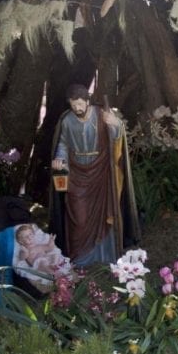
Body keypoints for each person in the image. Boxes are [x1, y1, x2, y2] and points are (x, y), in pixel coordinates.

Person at [48, 83, 140, 266]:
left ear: (88, 101)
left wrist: (115, 125)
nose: (77, 109)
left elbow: (116, 138)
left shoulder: (100, 114)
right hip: (77, 174)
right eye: (73, 105)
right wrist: (59, 158)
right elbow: (64, 144)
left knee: (106, 213)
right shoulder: (67, 120)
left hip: (101, 172)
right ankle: (79, 257)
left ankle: (105, 255)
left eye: (80, 105)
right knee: (79, 218)